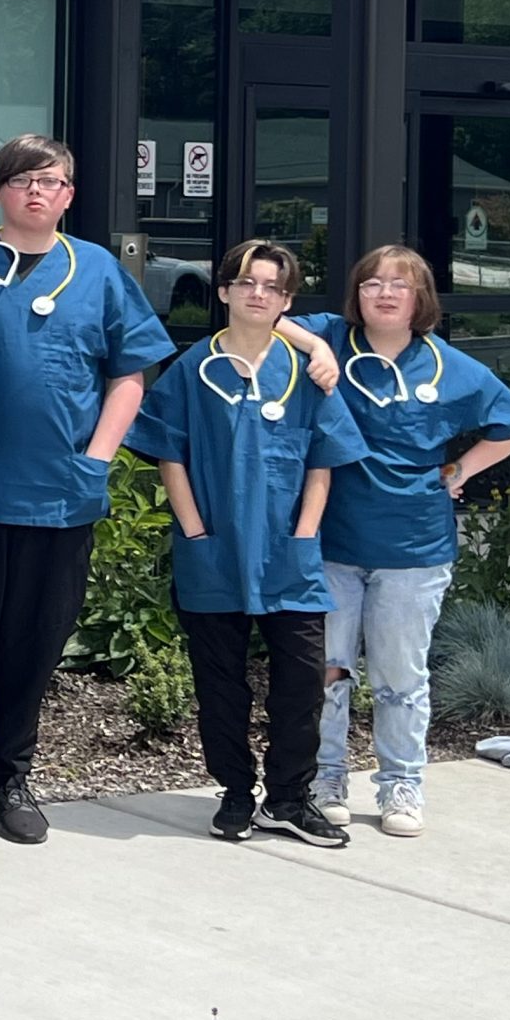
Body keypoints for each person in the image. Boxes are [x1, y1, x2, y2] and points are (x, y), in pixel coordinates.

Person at [0, 135, 176, 843]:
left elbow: (130, 372)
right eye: (23, 180)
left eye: (52, 181)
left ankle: (9, 777)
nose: (37, 191)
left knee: (35, 646)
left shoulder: (96, 270)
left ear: (69, 194)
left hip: (60, 494)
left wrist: (98, 458)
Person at [274, 245, 510, 836]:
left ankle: (401, 785)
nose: (385, 293)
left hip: (413, 550)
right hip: (331, 543)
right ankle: (325, 779)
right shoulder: (333, 337)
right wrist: (318, 347)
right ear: (357, 294)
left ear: (421, 299)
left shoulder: (450, 368)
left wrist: (461, 469)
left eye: (400, 284)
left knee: (401, 678)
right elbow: (268, 317)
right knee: (327, 672)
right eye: (372, 283)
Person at [124, 239, 367, 847]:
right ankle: (235, 792)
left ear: (286, 301)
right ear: (225, 291)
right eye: (247, 283)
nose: (258, 294)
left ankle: (288, 798)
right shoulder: (193, 369)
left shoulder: (308, 372)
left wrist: (304, 534)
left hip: (289, 554)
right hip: (214, 551)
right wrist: (194, 530)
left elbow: (322, 460)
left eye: (272, 287)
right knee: (220, 683)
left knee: (302, 682)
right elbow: (170, 454)